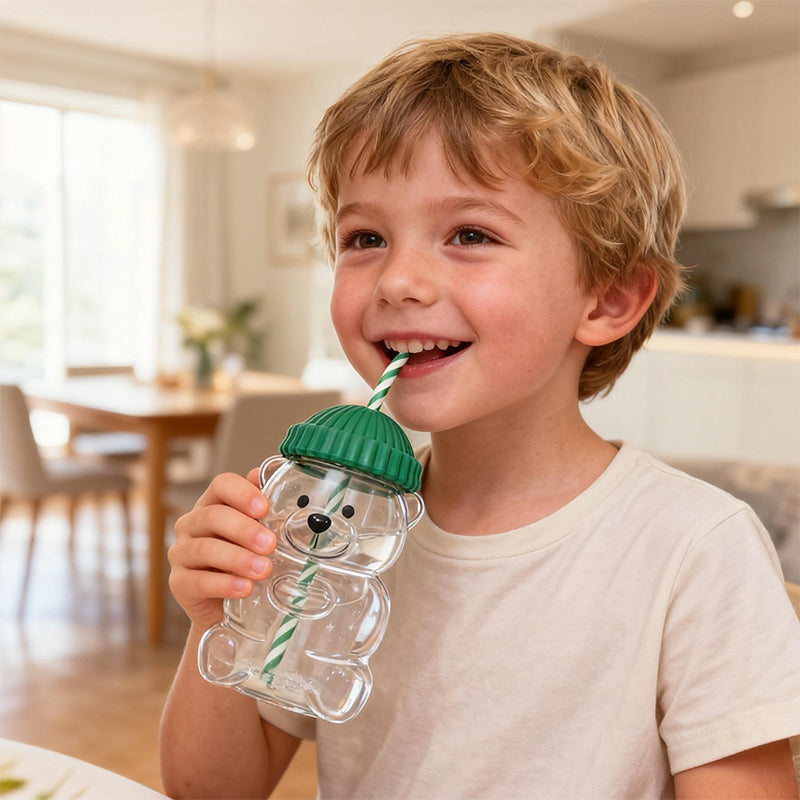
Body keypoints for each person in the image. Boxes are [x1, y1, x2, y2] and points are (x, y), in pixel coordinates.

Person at [160, 33, 800, 799]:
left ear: (608, 300)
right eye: (365, 237)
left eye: (470, 234)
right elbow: (211, 789)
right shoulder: (340, 525)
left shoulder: (695, 550)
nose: (397, 279)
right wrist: (215, 620)